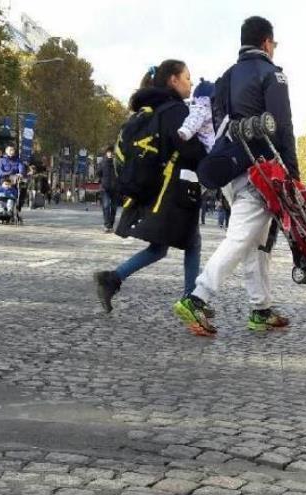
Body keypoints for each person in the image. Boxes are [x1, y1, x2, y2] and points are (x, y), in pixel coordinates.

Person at [174, 16, 297, 335]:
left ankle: (262, 308)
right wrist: (292, 175)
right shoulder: (273, 75)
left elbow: (217, 123)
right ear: (267, 43)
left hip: (229, 166)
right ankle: (197, 298)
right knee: (241, 238)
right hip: (261, 171)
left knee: (255, 242)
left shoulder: (226, 76)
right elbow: (282, 128)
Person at [93, 61, 208, 314]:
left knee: (161, 247)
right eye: (187, 78)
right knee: (191, 243)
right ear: (173, 80)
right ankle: (191, 300)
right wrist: (209, 151)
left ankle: (112, 278)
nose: (191, 83)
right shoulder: (175, 111)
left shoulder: (150, 109)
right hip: (174, 190)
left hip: (158, 188)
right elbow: (188, 148)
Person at [178, 78, 216, 153]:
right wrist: (185, 132)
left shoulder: (208, 109)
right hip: (208, 147)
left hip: (211, 142)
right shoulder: (201, 109)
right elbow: (193, 120)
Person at [96, 147, 119, 233]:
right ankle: (107, 225)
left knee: (113, 207)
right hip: (105, 188)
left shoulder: (117, 163)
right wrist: (102, 180)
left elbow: (121, 173)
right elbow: (98, 173)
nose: (110, 154)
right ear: (106, 153)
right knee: (106, 206)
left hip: (115, 188)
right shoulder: (102, 163)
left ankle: (111, 225)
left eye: (111, 152)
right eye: (108, 152)